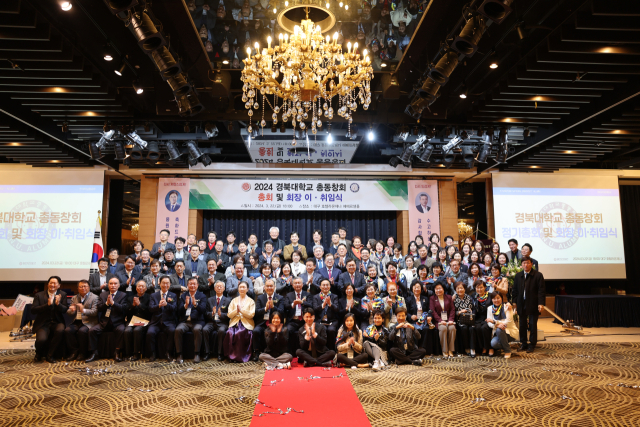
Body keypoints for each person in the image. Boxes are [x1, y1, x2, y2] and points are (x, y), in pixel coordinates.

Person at [87, 277, 129, 363]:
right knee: (92, 331)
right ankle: (94, 353)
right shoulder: (103, 295)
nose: (113, 285)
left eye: (115, 283)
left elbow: (124, 308)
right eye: (111, 283)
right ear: (108, 285)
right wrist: (106, 304)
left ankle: (117, 353)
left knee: (121, 330)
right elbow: (99, 308)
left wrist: (113, 304)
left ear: (119, 285)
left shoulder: (123, 295)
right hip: (104, 322)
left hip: (117, 322)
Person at [32, 276, 69, 363]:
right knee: (41, 339)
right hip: (43, 322)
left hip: (57, 321)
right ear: (48, 284)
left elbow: (65, 310)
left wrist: (58, 304)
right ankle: (38, 353)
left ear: (59, 285)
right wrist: (47, 305)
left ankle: (50, 355)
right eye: (50, 283)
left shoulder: (62, 294)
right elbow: (33, 310)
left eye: (55, 283)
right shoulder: (39, 295)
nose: (52, 285)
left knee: (60, 331)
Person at [513, 256, 545, 353]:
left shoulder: (538, 275)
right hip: (521, 303)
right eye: (524, 263)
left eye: (528, 263)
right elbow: (515, 290)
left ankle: (532, 344)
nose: (526, 265)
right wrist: (514, 302)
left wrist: (541, 303)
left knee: (532, 324)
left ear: (531, 264)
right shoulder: (518, 276)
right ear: (521, 265)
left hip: (533, 303)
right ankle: (523, 343)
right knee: (522, 324)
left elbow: (541, 291)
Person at [174, 278, 208, 363]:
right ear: (187, 285)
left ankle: (197, 354)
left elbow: (203, 310)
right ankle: (179, 354)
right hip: (185, 321)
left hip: (198, 321)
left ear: (197, 285)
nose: (192, 286)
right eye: (190, 284)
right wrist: (185, 305)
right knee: (178, 330)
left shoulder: (202, 296)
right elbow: (178, 311)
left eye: (194, 284)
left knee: (197, 330)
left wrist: (195, 305)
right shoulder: (183, 296)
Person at [64, 280, 98, 362]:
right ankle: (74, 352)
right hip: (76, 321)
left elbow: (95, 312)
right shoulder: (74, 298)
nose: (83, 288)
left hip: (88, 322)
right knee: (67, 330)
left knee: (82, 331)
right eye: (81, 286)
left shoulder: (95, 297)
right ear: (77, 288)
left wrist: (84, 310)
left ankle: (82, 353)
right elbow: (69, 313)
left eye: (85, 286)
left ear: (89, 287)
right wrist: (71, 310)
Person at [145, 276, 178, 362]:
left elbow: (174, 308)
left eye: (167, 283)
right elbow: (150, 308)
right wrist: (158, 306)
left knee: (172, 331)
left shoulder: (173, 295)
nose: (165, 285)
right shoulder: (153, 295)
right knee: (150, 333)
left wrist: (167, 304)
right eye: (163, 283)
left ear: (170, 284)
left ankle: (168, 353)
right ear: (159, 283)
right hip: (156, 322)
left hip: (169, 321)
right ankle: (152, 353)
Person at [252, 279, 285, 361]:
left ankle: (275, 352)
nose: (269, 288)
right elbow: (256, 312)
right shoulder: (260, 297)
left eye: (271, 286)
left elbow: (281, 312)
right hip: (263, 322)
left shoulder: (280, 297)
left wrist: (273, 307)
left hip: (274, 323)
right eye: (267, 286)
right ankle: (256, 352)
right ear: (264, 287)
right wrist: (265, 309)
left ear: (274, 287)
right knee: (256, 331)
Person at [224, 281, 255, 362]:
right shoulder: (234, 300)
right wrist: (236, 311)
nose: (242, 289)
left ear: (247, 289)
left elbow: (251, 314)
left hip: (246, 323)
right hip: (235, 322)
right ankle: (231, 356)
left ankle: (240, 357)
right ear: (238, 289)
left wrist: (241, 311)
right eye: (240, 287)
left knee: (239, 333)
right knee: (229, 333)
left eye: (244, 287)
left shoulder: (251, 301)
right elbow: (229, 315)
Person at [203, 281, 231, 361]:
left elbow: (229, 315)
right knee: (205, 330)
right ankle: (207, 353)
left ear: (224, 288)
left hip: (222, 322)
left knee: (222, 331)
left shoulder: (228, 300)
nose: (219, 288)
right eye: (217, 286)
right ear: (214, 288)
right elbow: (205, 313)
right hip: (211, 321)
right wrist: (211, 313)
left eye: (221, 286)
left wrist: (221, 315)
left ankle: (220, 353)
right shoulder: (209, 300)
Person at [124, 280, 151, 361]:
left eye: (143, 286)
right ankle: (128, 353)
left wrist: (140, 305)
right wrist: (133, 306)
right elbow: (126, 311)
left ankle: (136, 353)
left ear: (146, 288)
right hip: (132, 320)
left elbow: (149, 311)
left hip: (143, 320)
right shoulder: (130, 298)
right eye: (139, 286)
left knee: (137, 330)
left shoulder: (149, 297)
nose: (141, 288)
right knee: (127, 331)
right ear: (136, 288)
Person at [285, 277, 312, 355]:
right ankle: (289, 352)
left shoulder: (307, 294)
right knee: (287, 330)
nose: (297, 285)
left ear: (302, 284)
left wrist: (302, 303)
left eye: (299, 283)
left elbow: (311, 305)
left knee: (307, 331)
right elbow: (286, 306)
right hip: (293, 321)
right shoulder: (289, 295)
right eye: (295, 283)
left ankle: (306, 352)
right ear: (293, 285)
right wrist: (293, 304)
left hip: (304, 321)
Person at [487, 292, 517, 359]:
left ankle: (507, 350)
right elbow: (489, 323)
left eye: (498, 298)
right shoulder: (489, 308)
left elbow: (508, 321)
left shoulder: (507, 307)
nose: (496, 300)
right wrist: (497, 325)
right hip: (498, 334)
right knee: (494, 344)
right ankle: (505, 343)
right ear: (491, 299)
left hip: (510, 332)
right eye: (494, 298)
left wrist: (495, 322)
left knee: (500, 329)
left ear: (502, 298)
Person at [312, 279, 340, 350]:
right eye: (323, 285)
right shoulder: (316, 297)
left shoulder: (334, 296)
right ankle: (322, 350)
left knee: (331, 330)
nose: (325, 286)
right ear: (320, 287)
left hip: (332, 320)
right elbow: (314, 309)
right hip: (320, 320)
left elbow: (337, 309)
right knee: (322, 329)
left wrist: (330, 304)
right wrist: (323, 305)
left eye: (327, 285)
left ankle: (332, 351)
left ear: (330, 286)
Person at [430, 282, 456, 358]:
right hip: (439, 321)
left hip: (449, 320)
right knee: (443, 328)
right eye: (436, 289)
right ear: (434, 290)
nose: (438, 290)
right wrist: (440, 320)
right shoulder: (432, 298)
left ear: (443, 289)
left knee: (452, 328)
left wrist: (451, 319)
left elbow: (452, 309)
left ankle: (451, 350)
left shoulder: (448, 297)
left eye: (440, 288)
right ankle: (444, 350)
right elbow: (432, 311)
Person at [453, 281, 476, 357]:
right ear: (455, 290)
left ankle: (472, 348)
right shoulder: (453, 298)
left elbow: (474, 308)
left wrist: (471, 312)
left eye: (461, 288)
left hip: (469, 319)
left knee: (472, 328)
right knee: (464, 328)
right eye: (458, 288)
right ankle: (466, 348)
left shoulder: (469, 297)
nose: (460, 290)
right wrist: (459, 312)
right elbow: (452, 311)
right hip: (460, 320)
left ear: (465, 289)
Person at [473, 281, 493, 357]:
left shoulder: (490, 295)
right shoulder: (474, 296)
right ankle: (483, 347)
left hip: (488, 317)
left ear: (485, 287)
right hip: (478, 318)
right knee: (477, 328)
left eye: (481, 287)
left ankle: (490, 348)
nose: (479, 289)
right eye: (477, 287)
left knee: (484, 328)